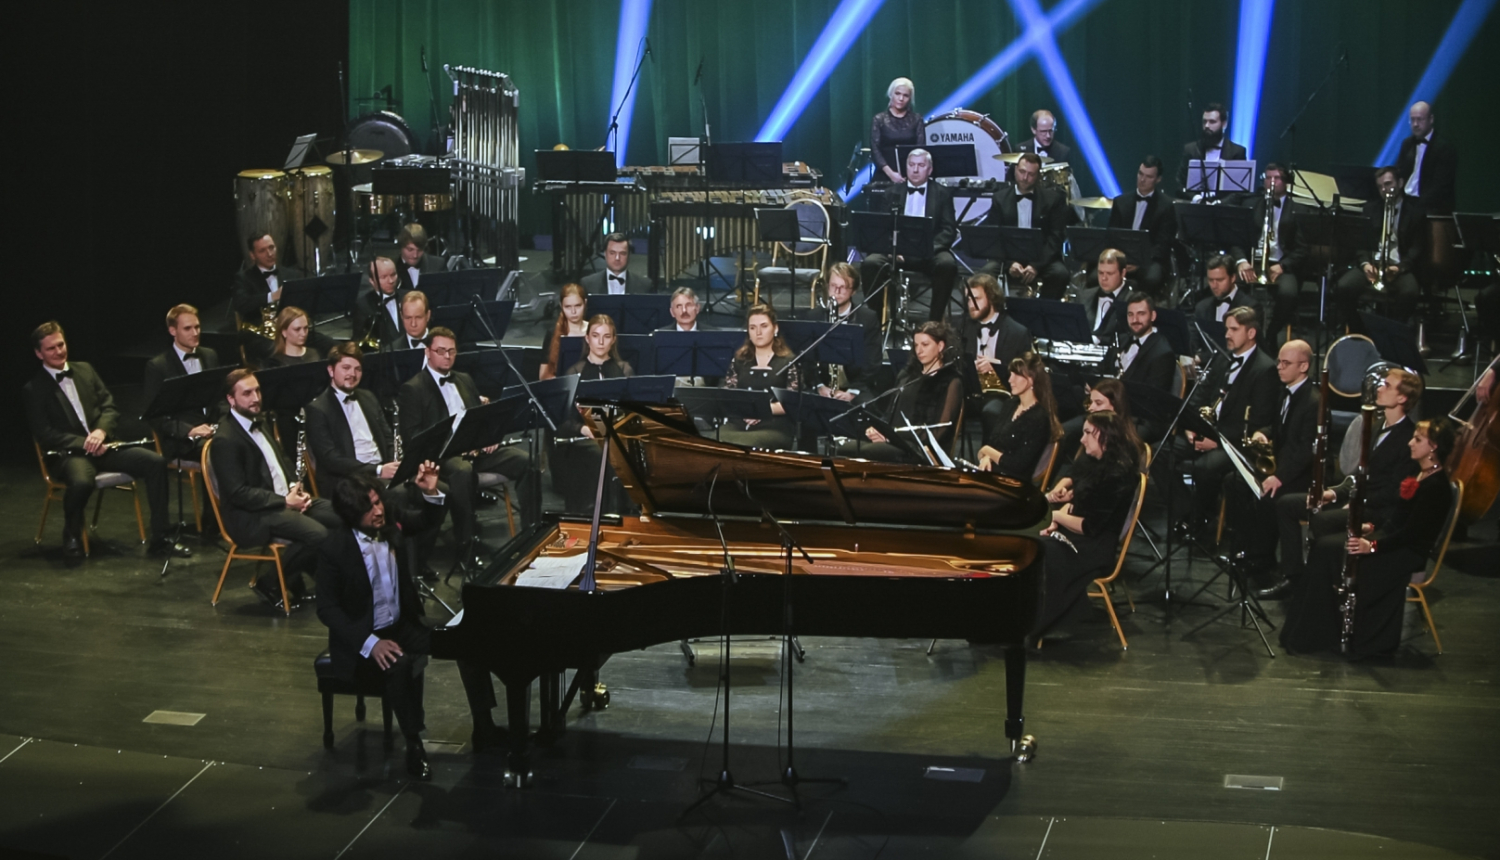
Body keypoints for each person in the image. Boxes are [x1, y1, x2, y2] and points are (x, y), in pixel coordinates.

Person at [1280, 416, 1456, 659]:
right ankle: (1311, 632)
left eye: (1417, 439)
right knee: (1324, 547)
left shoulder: (1436, 487)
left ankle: (1321, 635)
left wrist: (1372, 546)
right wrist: (1371, 527)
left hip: (1405, 554)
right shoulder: (1421, 475)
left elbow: (1412, 534)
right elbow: (1400, 520)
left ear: (1433, 446)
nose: (1410, 444)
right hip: (1393, 540)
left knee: (1329, 550)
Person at [316, 465, 447, 780]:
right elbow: (327, 609)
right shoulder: (334, 548)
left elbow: (426, 521)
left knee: (458, 640)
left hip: (401, 624)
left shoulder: (389, 521)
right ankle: (414, 743)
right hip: (362, 637)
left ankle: (484, 724)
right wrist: (370, 643)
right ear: (350, 514)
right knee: (398, 664)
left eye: (378, 502)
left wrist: (430, 492)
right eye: (369, 507)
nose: (378, 511)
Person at [24, 321, 189, 561]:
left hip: (105, 446)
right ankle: (71, 535)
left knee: (155, 462)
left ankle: (162, 538)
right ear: (39, 353)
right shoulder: (33, 389)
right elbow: (45, 433)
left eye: (61, 344)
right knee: (81, 482)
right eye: (51, 349)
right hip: (70, 455)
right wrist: (84, 443)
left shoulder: (85, 370)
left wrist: (100, 432)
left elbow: (109, 407)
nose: (59, 351)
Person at [1261, 367, 1422, 599]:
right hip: (1357, 500)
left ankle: (1322, 581)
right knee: (1287, 504)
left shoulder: (1409, 438)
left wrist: (1356, 501)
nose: (1379, 388)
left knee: (1322, 520)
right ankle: (1293, 576)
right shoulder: (1376, 425)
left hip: (1377, 511)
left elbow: (1393, 491)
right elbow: (1359, 474)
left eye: (1386, 385)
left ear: (1402, 398)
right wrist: (1333, 494)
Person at [397, 327, 533, 563]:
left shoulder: (465, 379)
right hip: (444, 456)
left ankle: (532, 533)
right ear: (428, 352)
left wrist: (490, 437)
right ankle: (465, 549)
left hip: (477, 451)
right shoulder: (413, 388)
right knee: (462, 470)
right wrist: (456, 444)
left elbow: (479, 418)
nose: (447, 356)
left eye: (451, 351)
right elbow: (413, 439)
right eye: (441, 351)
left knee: (524, 460)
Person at [211, 368, 342, 607]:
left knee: (343, 515)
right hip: (251, 515)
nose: (256, 398)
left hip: (281, 501)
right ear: (231, 399)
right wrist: (284, 502)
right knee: (318, 534)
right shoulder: (225, 440)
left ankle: (299, 581)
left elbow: (282, 460)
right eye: (247, 393)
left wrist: (295, 487)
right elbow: (238, 493)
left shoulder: (260, 420)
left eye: (258, 390)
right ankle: (270, 582)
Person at [1033, 410, 1142, 641]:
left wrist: (1056, 518)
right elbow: (1079, 506)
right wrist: (1059, 517)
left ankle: (1033, 623)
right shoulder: (1095, 463)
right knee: (1028, 538)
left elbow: (1090, 527)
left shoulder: (1118, 475)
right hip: (1079, 534)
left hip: (1095, 546)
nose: (1082, 439)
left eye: (1088, 433)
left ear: (1106, 436)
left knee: (1040, 551)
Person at [1181, 306, 1278, 536]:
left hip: (1234, 443)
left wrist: (1217, 441)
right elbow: (1199, 396)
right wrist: (1190, 427)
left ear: (1251, 333)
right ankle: (1188, 512)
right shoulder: (1221, 360)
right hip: (1205, 432)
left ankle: (1200, 519)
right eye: (1226, 329)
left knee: (1205, 468)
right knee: (1161, 452)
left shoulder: (1265, 370)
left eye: (1234, 329)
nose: (1226, 334)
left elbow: (1257, 422)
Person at [1226, 340, 1317, 580]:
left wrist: (1278, 476)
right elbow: (1278, 428)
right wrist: (1263, 433)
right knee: (1234, 482)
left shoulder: (1314, 402)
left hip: (1299, 474)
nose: (1278, 367)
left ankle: (1266, 560)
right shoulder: (1284, 392)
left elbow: (1306, 451)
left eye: (1286, 363)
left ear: (1304, 366)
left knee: (1268, 496)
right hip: (1280, 463)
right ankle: (1247, 549)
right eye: (1279, 361)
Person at [858, 149, 959, 322]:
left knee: (947, 264)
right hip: (897, 252)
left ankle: (934, 323)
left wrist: (926, 250)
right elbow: (884, 228)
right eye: (911, 165)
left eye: (921, 165)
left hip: (929, 253)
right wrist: (892, 249)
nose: (915, 170)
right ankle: (875, 320)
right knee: (870, 263)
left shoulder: (942, 193)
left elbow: (948, 230)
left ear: (930, 169)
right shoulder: (891, 193)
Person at [844, 321, 962, 463]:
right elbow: (889, 414)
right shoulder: (907, 375)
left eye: (925, 345)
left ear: (940, 346)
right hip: (895, 440)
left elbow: (939, 432)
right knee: (846, 448)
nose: (919, 351)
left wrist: (891, 438)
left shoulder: (951, 381)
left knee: (868, 451)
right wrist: (878, 430)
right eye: (916, 345)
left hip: (921, 449)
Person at [555, 314, 635, 514]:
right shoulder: (574, 372)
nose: (600, 342)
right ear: (587, 339)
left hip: (617, 433)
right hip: (584, 438)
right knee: (602, 453)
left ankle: (629, 513)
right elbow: (563, 420)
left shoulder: (624, 370)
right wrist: (584, 428)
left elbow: (632, 410)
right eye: (596, 336)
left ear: (613, 339)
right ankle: (600, 512)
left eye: (606, 336)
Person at [1333, 166, 1424, 326]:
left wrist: (1400, 268)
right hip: (1373, 264)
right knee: (1344, 286)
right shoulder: (1370, 208)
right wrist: (1365, 263)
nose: (1384, 189)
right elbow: (1361, 242)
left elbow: (1417, 247)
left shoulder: (1415, 211)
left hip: (1398, 267)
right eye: (1380, 186)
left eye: (1388, 184)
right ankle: (1359, 330)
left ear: (1401, 183)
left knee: (1410, 292)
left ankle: (1393, 331)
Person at [305, 343, 400, 488]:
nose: (352, 374)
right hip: (350, 480)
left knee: (430, 487)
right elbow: (331, 459)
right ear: (331, 370)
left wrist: (396, 464)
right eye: (346, 368)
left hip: (383, 470)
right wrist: (378, 471)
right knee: (401, 495)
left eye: (358, 369)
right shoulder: (317, 409)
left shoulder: (369, 397)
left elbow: (388, 439)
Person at [952, 273, 1033, 440]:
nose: (971, 305)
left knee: (992, 412)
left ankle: (987, 461)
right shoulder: (961, 326)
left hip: (1001, 393)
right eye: (968, 299)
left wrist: (998, 366)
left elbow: (1026, 373)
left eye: (976, 299)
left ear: (991, 298)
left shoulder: (1017, 332)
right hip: (970, 390)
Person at [979, 152, 1071, 299]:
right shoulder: (1000, 198)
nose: (1025, 178)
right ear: (1015, 169)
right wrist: (1010, 264)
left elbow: (1056, 237)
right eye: (1022, 172)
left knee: (1060, 274)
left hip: (1041, 258)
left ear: (1038, 176)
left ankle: (1043, 313)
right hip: (1008, 257)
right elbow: (995, 237)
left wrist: (1036, 265)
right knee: (984, 275)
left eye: (1031, 174)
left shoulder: (1053, 199)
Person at [1232, 163, 1307, 337]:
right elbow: (1236, 240)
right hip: (1253, 261)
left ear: (1286, 182)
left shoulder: (1298, 209)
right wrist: (1242, 261)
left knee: (1289, 294)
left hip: (1281, 265)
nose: (1271, 182)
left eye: (1276, 178)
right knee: (1230, 285)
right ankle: (1240, 333)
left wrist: (1283, 266)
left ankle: (1271, 334)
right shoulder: (1251, 205)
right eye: (1268, 178)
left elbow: (1302, 250)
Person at [142, 303, 222, 462]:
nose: (195, 333)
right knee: (221, 451)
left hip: (214, 430)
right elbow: (155, 416)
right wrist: (190, 430)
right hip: (183, 440)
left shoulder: (210, 355)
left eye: (197, 327)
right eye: (188, 328)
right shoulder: (158, 366)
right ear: (173, 331)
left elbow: (221, 398)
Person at [719, 304, 803, 449]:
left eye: (763, 326)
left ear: (775, 329)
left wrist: (760, 410)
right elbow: (728, 394)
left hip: (774, 425)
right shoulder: (739, 359)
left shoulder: (789, 361)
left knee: (744, 446)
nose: (758, 332)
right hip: (738, 422)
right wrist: (744, 410)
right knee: (713, 441)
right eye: (752, 327)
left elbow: (792, 402)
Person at [1048, 378, 1145, 500]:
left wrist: (1070, 499)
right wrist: (1059, 489)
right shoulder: (1094, 433)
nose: (1091, 408)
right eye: (1091, 402)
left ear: (1115, 406)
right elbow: (1077, 470)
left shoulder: (1125, 446)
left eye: (1098, 403)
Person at [977, 352, 1062, 482]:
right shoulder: (1010, 404)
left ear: (1032, 379)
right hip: (994, 473)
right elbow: (993, 441)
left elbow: (1017, 465)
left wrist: (986, 451)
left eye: (1016, 375)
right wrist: (987, 457)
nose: (1010, 379)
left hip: (1015, 483)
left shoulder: (1039, 418)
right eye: (1011, 374)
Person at [804, 263, 886, 400]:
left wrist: (852, 392)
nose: (836, 292)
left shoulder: (867, 318)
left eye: (843, 287)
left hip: (856, 387)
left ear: (853, 291)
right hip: (823, 386)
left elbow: (872, 362)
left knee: (867, 408)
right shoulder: (814, 316)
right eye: (833, 286)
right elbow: (806, 360)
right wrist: (819, 385)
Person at [231, 233, 304, 365]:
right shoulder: (243, 278)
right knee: (284, 354)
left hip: (293, 332)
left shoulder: (293, 274)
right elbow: (241, 304)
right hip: (260, 337)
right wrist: (272, 296)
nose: (269, 253)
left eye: (271, 248)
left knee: (330, 346)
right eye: (262, 251)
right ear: (252, 255)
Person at [1107, 156, 1176, 295]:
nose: (1142, 180)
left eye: (1148, 176)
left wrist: (1139, 262)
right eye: (1140, 174)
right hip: (1122, 256)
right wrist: (1121, 260)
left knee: (1151, 278)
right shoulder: (1121, 202)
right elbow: (1111, 236)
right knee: (1097, 275)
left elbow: (1163, 245)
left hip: (1150, 259)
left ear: (1158, 179)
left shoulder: (1166, 206)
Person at [1397, 101, 1458, 216]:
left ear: (1431, 119)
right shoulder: (1407, 144)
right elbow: (1400, 173)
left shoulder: (1444, 148)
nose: (1415, 124)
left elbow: (1441, 186)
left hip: (1431, 208)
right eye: (1412, 119)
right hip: (1407, 203)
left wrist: (1416, 208)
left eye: (1420, 119)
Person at [1176, 102, 1248, 194]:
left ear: (1224, 124)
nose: (1206, 126)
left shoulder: (1237, 152)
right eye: (1204, 121)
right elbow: (1180, 182)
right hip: (1195, 205)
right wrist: (1196, 198)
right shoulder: (1190, 149)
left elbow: (1239, 190)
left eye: (1212, 122)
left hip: (1224, 207)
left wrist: (1219, 203)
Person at [870, 77, 924, 185]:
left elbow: (921, 149)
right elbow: (875, 150)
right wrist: (891, 174)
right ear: (891, 94)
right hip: (884, 176)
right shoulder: (879, 119)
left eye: (905, 95)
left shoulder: (917, 119)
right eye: (897, 93)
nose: (901, 98)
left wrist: (912, 173)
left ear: (910, 98)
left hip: (911, 176)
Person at [1193, 254, 1263, 331]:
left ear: (1233, 278)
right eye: (1210, 280)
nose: (1214, 285)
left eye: (1220, 280)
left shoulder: (1251, 307)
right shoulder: (1202, 308)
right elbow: (1195, 340)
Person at [1075, 249, 1131, 343]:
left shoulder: (1132, 301)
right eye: (1100, 273)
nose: (1104, 278)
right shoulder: (1083, 296)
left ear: (1123, 273)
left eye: (1110, 273)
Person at [352, 256, 407, 348]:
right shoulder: (363, 305)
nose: (390, 281)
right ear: (372, 281)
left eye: (393, 275)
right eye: (383, 277)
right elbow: (358, 341)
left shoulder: (408, 296)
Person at [540, 283, 588, 380]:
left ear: (585, 303)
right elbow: (543, 376)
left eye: (578, 306)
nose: (573, 312)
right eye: (568, 307)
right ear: (561, 306)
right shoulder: (552, 333)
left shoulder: (594, 331)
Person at [580, 233, 648, 295]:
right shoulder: (588, 284)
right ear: (605, 254)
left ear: (629, 255)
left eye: (622, 253)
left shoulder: (645, 285)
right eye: (612, 253)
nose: (617, 258)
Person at [396, 223, 446, 292]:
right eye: (410, 250)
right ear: (401, 247)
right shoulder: (391, 268)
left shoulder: (438, 265)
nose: (415, 255)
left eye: (419, 250)